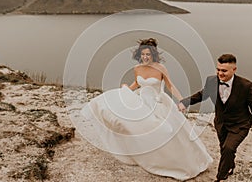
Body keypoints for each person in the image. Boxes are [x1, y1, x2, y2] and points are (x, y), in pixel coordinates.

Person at [80, 38, 212, 181]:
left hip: (158, 102)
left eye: (148, 54)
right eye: (143, 54)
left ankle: (172, 161)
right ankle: (145, 154)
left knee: (167, 130)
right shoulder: (137, 68)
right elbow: (137, 83)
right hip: (141, 100)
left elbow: (170, 86)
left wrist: (182, 101)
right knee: (135, 126)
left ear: (153, 54)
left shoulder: (161, 68)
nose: (145, 57)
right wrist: (125, 91)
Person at [179, 54, 252, 182]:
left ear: (234, 69)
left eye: (224, 70)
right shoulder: (212, 81)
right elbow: (202, 94)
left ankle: (220, 177)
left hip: (240, 124)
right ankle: (230, 166)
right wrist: (185, 102)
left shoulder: (246, 86)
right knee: (224, 148)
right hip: (221, 123)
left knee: (228, 148)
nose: (220, 73)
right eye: (218, 69)